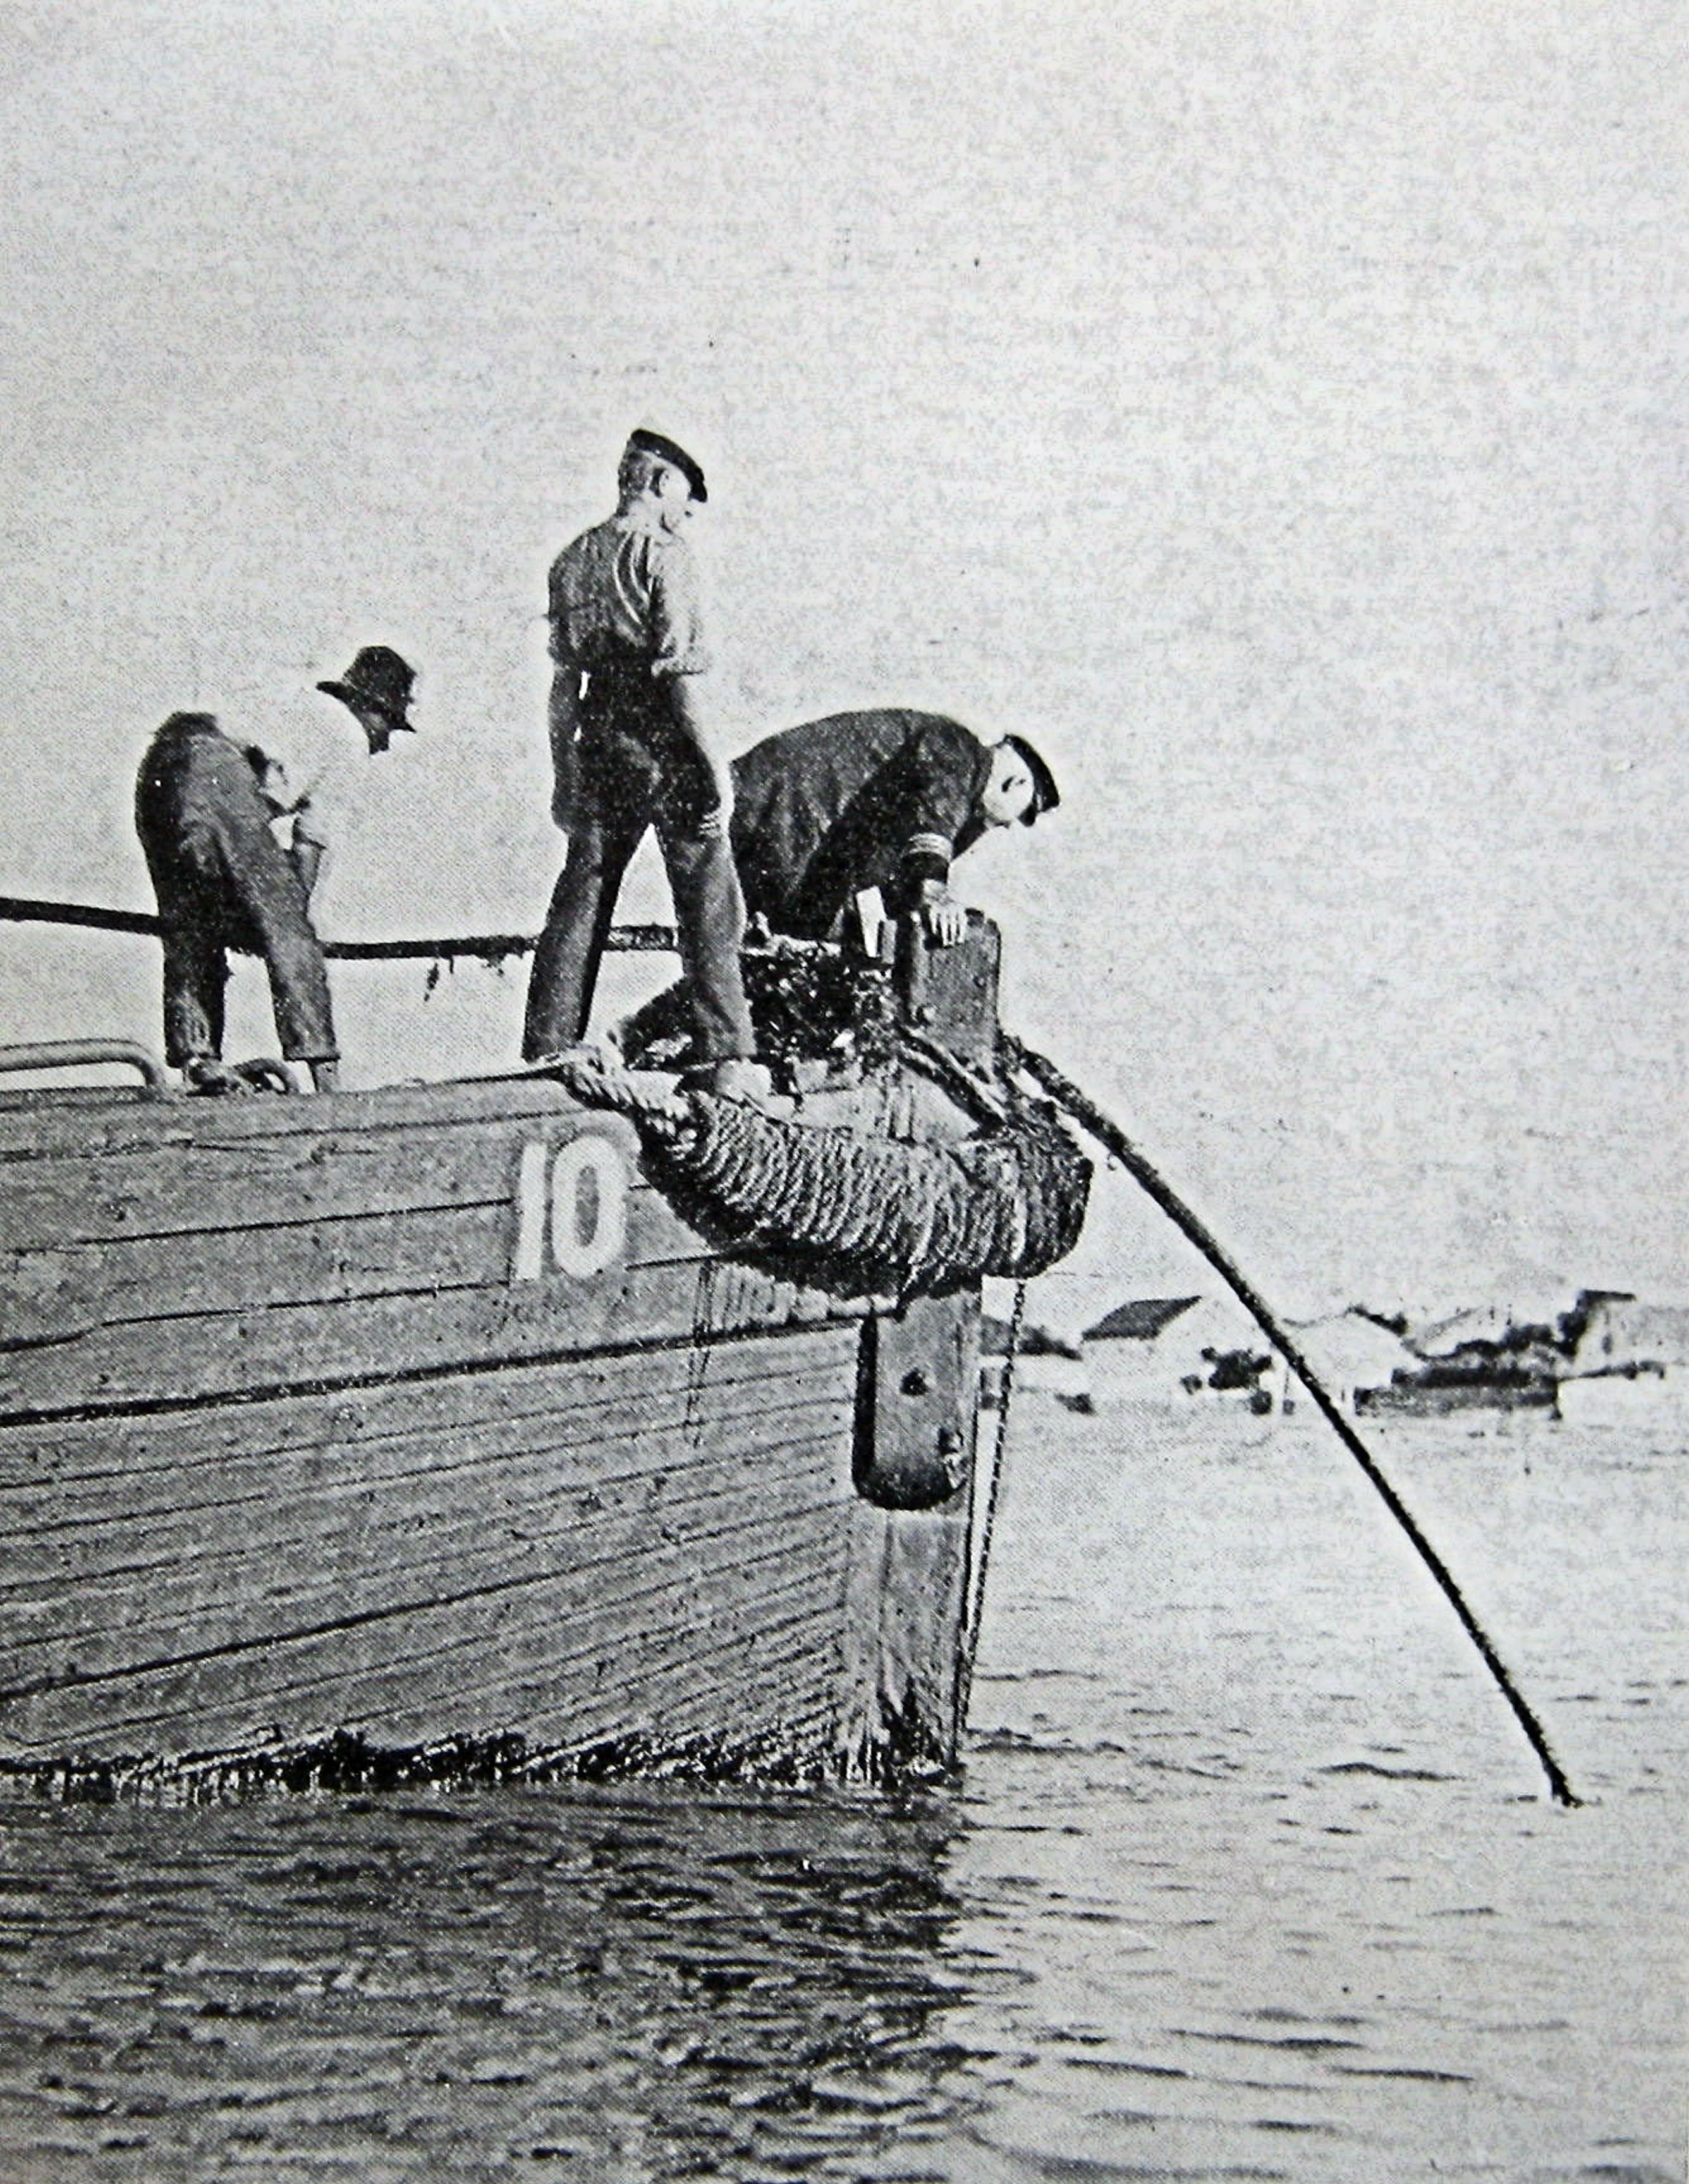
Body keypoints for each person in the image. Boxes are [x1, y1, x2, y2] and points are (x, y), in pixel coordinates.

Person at [522, 428, 762, 1096]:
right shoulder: (665, 555)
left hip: (599, 741)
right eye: (685, 496)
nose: (688, 512)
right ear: (659, 482)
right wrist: (712, 767)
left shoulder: (571, 559)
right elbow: (679, 676)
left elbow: (563, 687)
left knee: (583, 892)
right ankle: (726, 1054)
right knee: (707, 894)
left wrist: (563, 773)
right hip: (663, 739)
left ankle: (547, 1046)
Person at [132, 648, 419, 1093]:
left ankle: (198, 1056)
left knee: (192, 920)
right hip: (216, 768)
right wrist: (281, 920)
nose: (384, 743)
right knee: (290, 928)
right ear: (368, 709)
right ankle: (325, 1073)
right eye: (388, 726)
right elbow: (310, 846)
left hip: (161, 764)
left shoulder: (299, 710)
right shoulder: (348, 736)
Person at [728, 708, 1059, 945]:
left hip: (779, 817)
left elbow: (896, 876)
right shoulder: (960, 752)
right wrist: (935, 896)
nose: (1009, 825)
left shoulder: (953, 778)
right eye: (1025, 813)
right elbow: (935, 821)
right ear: (1017, 784)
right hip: (786, 807)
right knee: (797, 933)